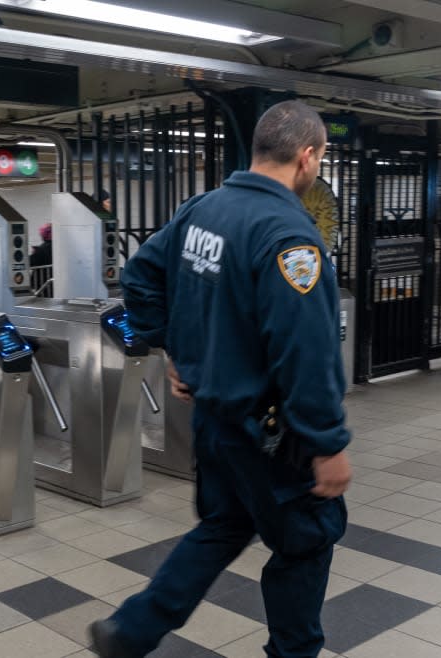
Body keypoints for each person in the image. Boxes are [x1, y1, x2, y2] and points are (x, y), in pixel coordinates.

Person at [89, 100, 352, 658]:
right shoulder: (290, 236)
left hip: (214, 422)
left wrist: (176, 351)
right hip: (274, 436)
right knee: (305, 545)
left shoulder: (201, 210)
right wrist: (327, 444)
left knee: (225, 524)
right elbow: (305, 352)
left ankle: (133, 628)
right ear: (307, 157)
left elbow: (139, 277)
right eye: (321, 159)